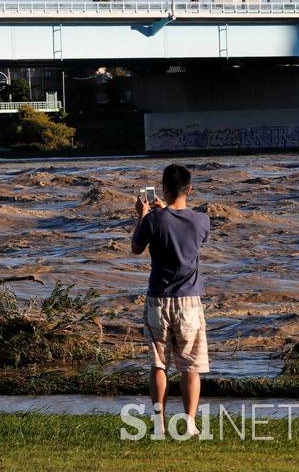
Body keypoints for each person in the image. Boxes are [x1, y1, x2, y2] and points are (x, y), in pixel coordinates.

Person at [131, 163, 210, 436]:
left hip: (158, 300)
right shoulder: (202, 220)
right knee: (191, 365)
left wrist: (141, 216)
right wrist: (166, 208)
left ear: (163, 188)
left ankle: (159, 423)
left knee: (158, 363)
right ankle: (189, 422)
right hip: (189, 301)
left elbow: (135, 248)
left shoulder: (153, 220)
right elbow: (187, 232)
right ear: (189, 189)